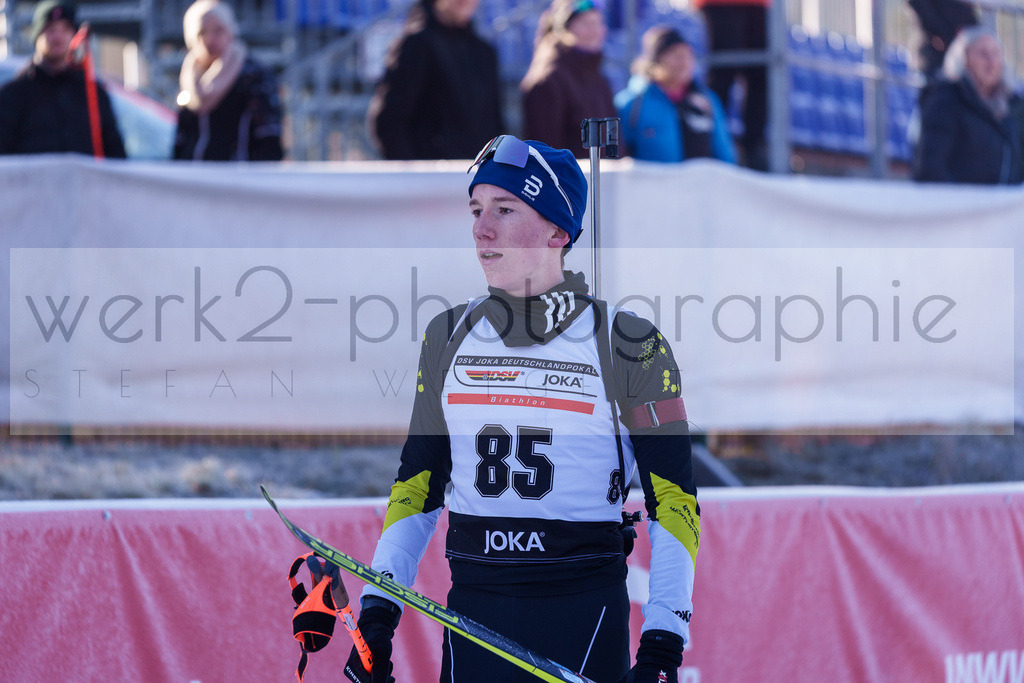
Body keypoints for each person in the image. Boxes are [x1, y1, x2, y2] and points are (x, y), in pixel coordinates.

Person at [343, 135, 700, 683]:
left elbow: (675, 504)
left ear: (559, 231)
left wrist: (662, 646)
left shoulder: (631, 343)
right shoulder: (449, 334)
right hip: (475, 611)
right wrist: (376, 617)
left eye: (505, 210)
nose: (481, 230)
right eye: (476, 210)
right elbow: (416, 488)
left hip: (582, 615)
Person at [367, 0, 504, 160]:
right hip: (430, 179)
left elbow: (494, 124)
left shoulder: (484, 53)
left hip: (475, 176)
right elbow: (389, 122)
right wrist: (416, 175)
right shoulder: (415, 45)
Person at [0, 0, 126, 158]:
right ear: (37, 35)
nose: (58, 37)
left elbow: (116, 156)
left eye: (65, 29)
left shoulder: (93, 94)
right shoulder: (12, 96)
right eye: (50, 30)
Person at [173, 0, 283, 161]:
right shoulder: (189, 77)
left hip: (237, 178)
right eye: (202, 32)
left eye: (218, 31)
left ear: (230, 32)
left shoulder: (251, 74)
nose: (210, 39)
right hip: (194, 178)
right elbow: (181, 138)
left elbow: (268, 137)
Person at [913, 26, 1022, 185]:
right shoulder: (945, 100)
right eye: (983, 54)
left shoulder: (1009, 105)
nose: (992, 62)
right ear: (963, 59)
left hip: (1000, 207)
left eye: (996, 54)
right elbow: (930, 167)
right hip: (959, 206)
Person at [615, 25, 736, 163]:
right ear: (656, 61)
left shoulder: (706, 100)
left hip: (700, 183)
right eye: (676, 56)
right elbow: (620, 157)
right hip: (652, 183)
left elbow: (724, 153)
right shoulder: (631, 104)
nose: (684, 63)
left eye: (687, 55)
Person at [520, 0, 617, 157]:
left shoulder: (599, 79)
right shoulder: (548, 80)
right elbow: (545, 154)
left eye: (599, 23)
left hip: (600, 179)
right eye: (586, 24)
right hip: (569, 180)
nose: (596, 31)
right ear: (564, 29)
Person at [693, 0, 769, 170]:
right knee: (723, 73)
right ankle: (713, 144)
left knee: (762, 74)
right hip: (719, 3)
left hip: (759, 4)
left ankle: (753, 150)